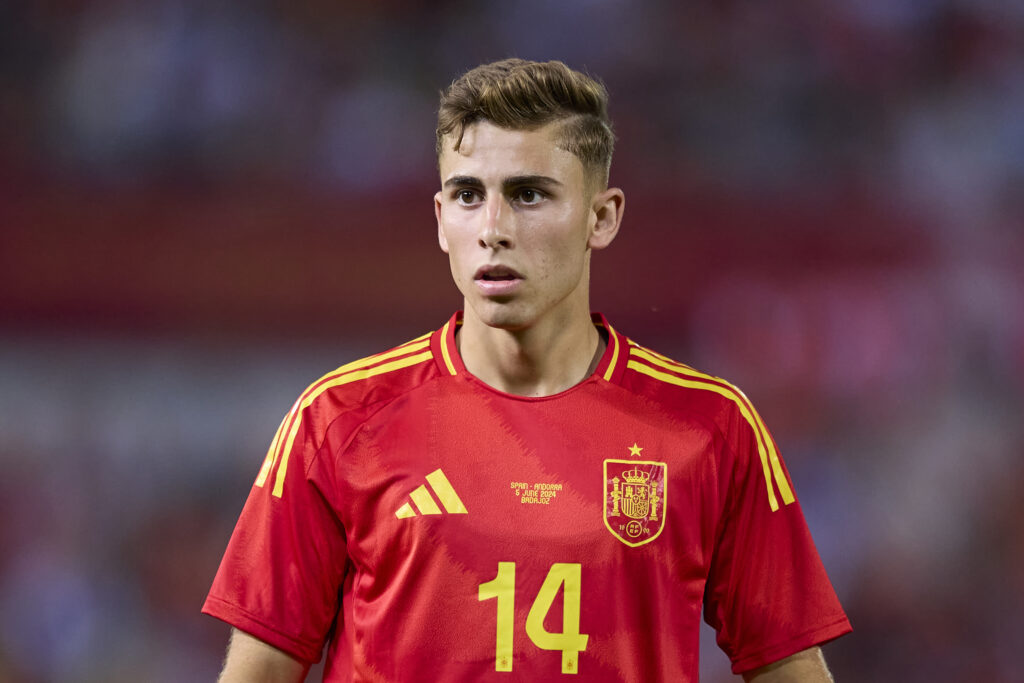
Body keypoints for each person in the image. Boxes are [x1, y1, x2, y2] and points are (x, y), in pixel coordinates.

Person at [203, 58, 851, 682]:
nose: (492, 227)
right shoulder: (338, 420)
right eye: (467, 195)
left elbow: (788, 666)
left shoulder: (711, 427)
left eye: (529, 194)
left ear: (602, 216)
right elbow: (258, 671)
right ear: (439, 220)